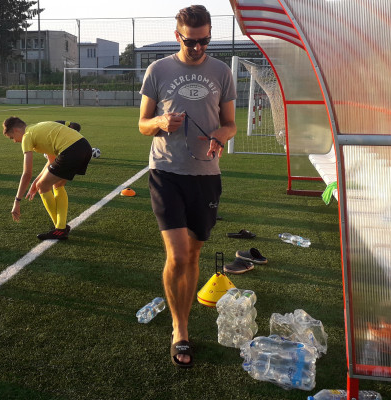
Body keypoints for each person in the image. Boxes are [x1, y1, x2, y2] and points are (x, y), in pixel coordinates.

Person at [137, 5, 237, 368]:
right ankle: (180, 329)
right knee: (177, 255)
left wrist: (219, 137)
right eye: (191, 42)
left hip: (206, 175)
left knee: (193, 256)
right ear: (178, 35)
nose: (198, 48)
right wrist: (161, 121)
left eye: (205, 41)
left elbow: (230, 124)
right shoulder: (158, 70)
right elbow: (142, 124)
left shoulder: (221, 71)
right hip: (166, 171)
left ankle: (184, 316)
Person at [3, 117, 91, 240]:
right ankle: (61, 227)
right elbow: (51, 162)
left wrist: (17, 201)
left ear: (17, 130)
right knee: (57, 184)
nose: (14, 141)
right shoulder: (38, 129)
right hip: (84, 147)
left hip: (71, 151)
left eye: (12, 137)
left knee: (43, 187)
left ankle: (60, 229)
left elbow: (27, 173)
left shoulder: (27, 136)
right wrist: (36, 182)